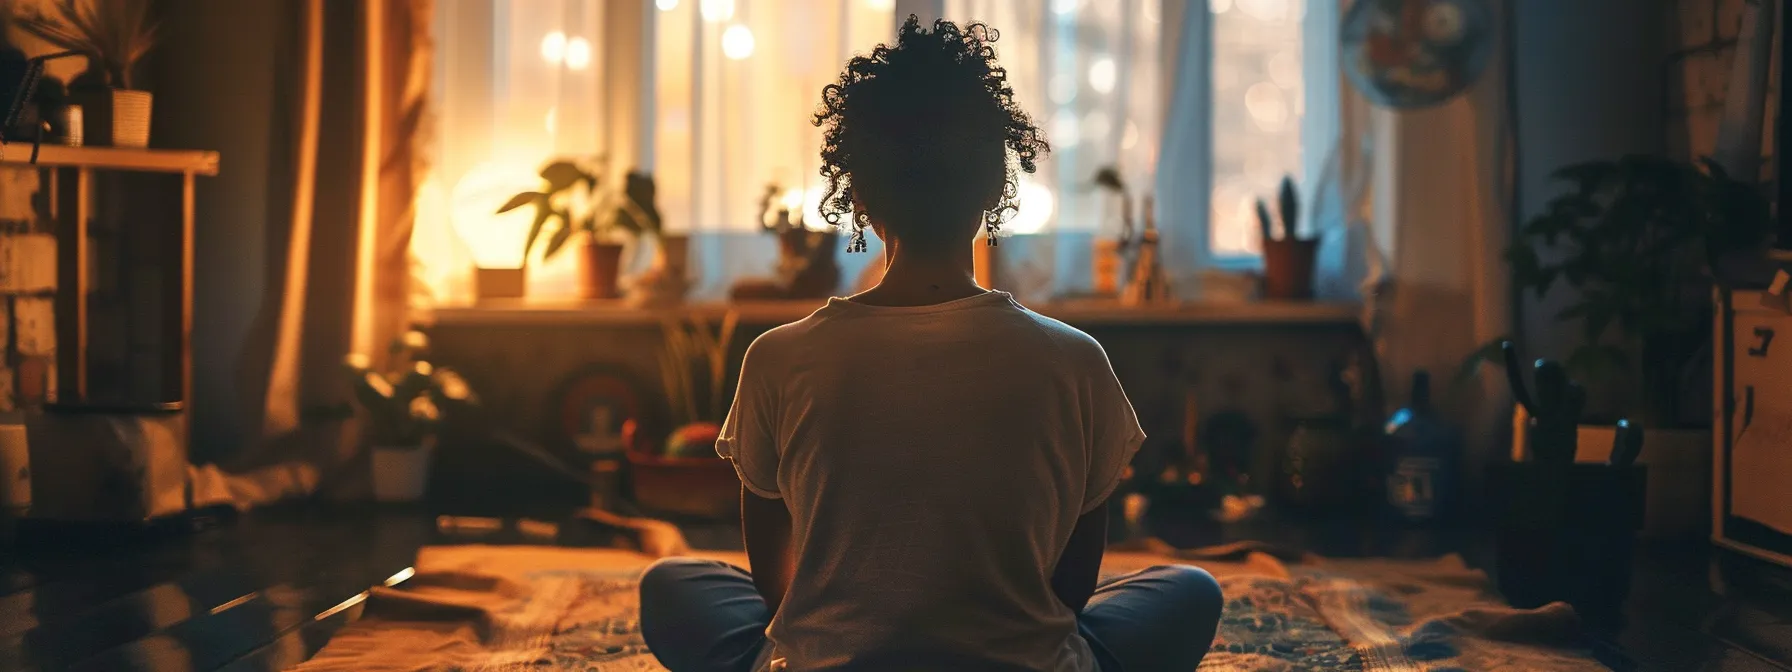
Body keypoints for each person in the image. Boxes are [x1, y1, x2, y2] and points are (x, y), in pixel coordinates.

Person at [638, 16, 1223, 672]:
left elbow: (777, 585)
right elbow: (1072, 589)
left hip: (827, 662)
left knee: (673, 585)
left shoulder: (777, 356)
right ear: (996, 189)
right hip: (1020, 662)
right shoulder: (1075, 360)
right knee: (1188, 589)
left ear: (858, 195)